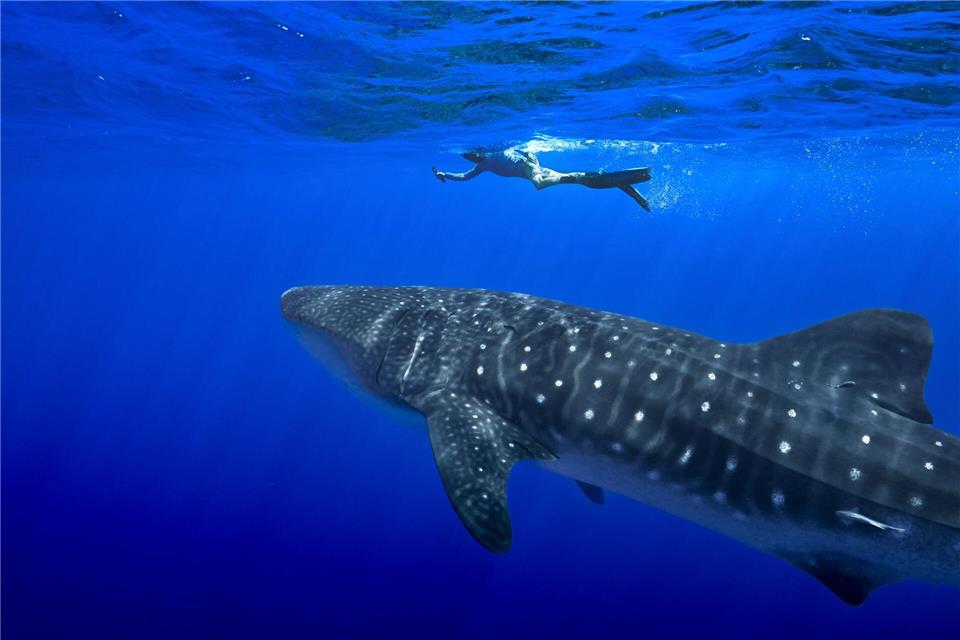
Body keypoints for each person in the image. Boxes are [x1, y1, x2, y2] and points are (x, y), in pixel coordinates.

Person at [432, 147, 652, 211]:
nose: (473, 157)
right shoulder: (483, 165)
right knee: (583, 181)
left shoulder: (497, 150)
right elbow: (465, 177)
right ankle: (625, 186)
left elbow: (525, 150)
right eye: (469, 157)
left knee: (539, 185)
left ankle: (575, 176)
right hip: (536, 170)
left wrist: (530, 155)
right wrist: (446, 175)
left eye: (472, 153)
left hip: (533, 170)